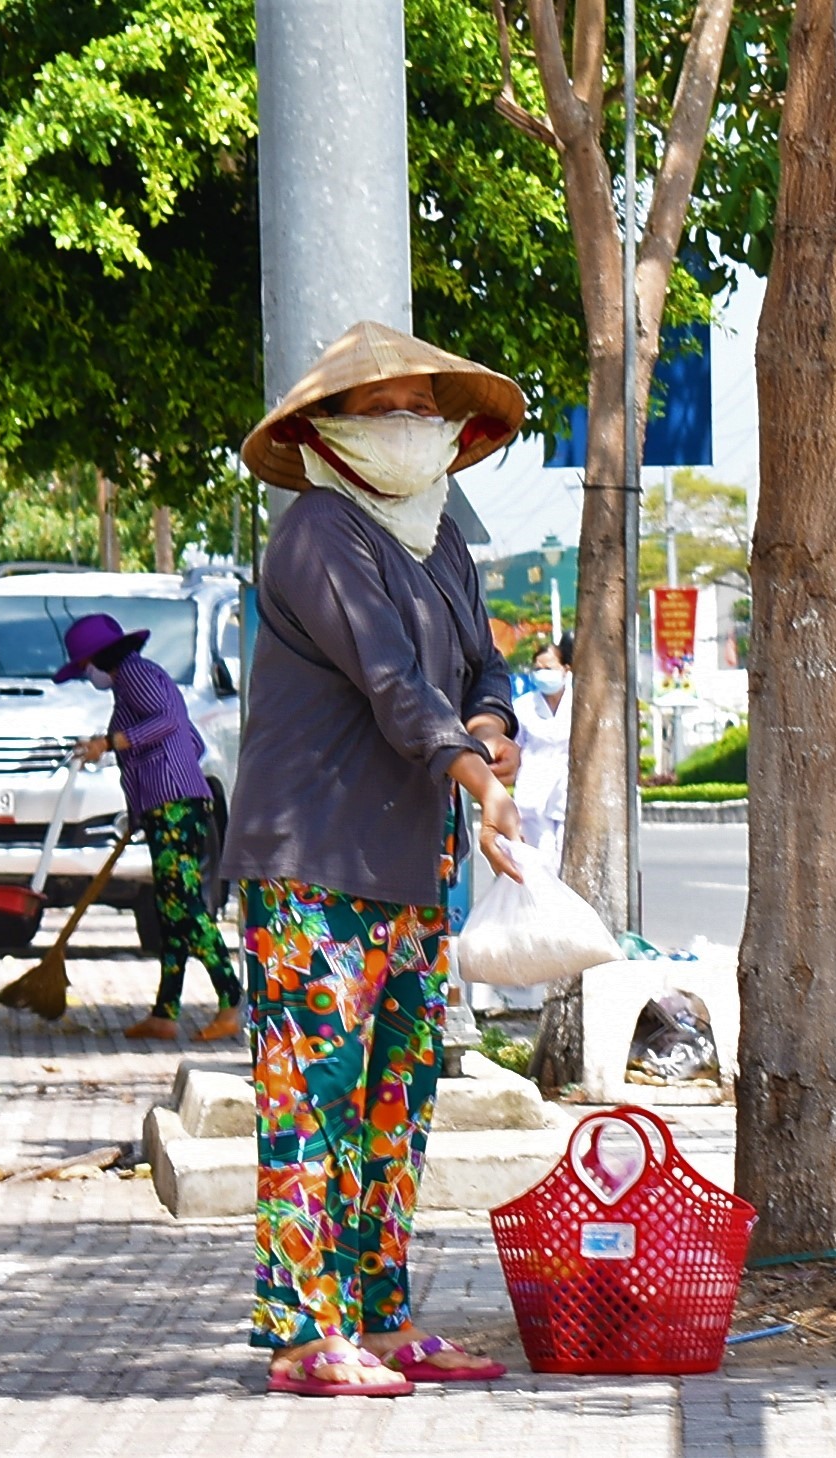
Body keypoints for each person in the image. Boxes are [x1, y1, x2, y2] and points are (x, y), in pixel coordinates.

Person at [223, 320, 525, 1397]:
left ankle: (381, 1319)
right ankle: (307, 1339)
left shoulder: (436, 535)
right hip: (312, 864)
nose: (411, 428)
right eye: (385, 411)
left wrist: (494, 734)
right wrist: (476, 776)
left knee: (396, 1101)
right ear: (328, 432)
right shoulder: (317, 534)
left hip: (406, 864)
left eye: (423, 411)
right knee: (314, 1101)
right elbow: (398, 688)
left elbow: (483, 669)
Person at [55, 613, 243, 1043]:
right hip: (171, 806)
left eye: (86, 666)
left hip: (175, 806)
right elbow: (190, 742)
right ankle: (165, 1012)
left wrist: (112, 744)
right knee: (172, 912)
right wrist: (145, 805)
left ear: (100, 659)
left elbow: (167, 724)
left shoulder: (136, 675)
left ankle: (232, 999)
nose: (88, 676)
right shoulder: (134, 683)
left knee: (187, 909)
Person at [512, 631, 574, 863]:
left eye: (549, 668)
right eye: (538, 669)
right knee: (539, 859)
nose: (543, 674)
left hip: (567, 789)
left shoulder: (579, 703)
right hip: (533, 791)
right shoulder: (524, 706)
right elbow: (514, 749)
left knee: (565, 857)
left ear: (566, 669)